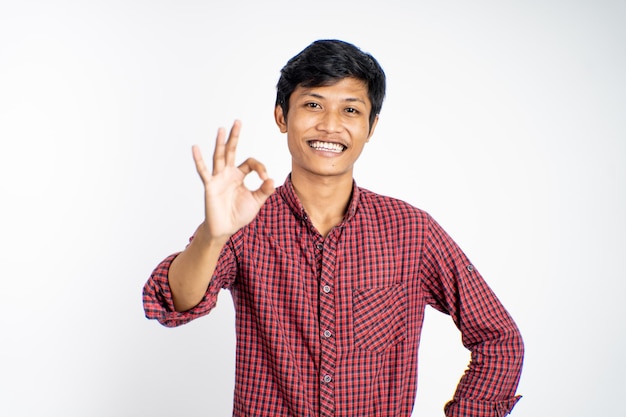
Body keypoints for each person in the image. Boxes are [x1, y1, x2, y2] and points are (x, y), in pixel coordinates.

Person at [143, 39, 524, 417]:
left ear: (371, 126)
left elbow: (499, 339)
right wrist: (214, 234)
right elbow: (173, 304)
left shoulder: (412, 232)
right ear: (281, 116)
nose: (330, 125)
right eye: (312, 105)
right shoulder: (245, 221)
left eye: (350, 110)